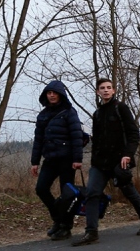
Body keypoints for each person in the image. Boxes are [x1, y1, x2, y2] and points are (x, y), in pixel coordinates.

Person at [72, 78, 140, 246]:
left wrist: (127, 155)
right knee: (92, 193)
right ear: (98, 92)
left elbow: (133, 135)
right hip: (100, 163)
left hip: (119, 161)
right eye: (102, 88)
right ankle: (91, 232)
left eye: (109, 87)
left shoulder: (120, 108)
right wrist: (93, 159)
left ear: (114, 91)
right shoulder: (97, 113)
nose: (106, 90)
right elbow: (98, 140)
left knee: (128, 191)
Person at [30, 80, 84, 241]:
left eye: (54, 93)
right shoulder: (43, 115)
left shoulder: (69, 112)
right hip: (50, 159)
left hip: (67, 160)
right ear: (45, 95)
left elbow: (76, 136)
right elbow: (38, 140)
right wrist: (35, 162)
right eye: (49, 93)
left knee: (66, 195)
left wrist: (77, 159)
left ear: (60, 95)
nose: (52, 95)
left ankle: (65, 228)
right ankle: (58, 219)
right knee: (41, 189)